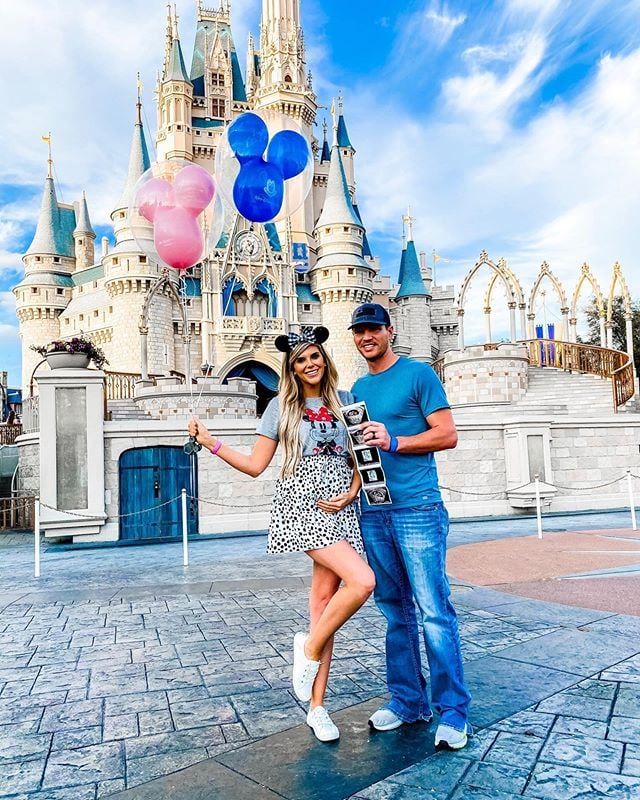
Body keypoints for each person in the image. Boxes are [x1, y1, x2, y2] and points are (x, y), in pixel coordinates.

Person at [188, 325, 375, 743]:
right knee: (363, 581)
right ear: (292, 369)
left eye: (315, 356)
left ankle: (318, 707)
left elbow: (362, 457)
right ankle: (308, 649)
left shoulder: (347, 403)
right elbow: (256, 465)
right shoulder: (280, 407)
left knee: (325, 607)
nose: (310, 364)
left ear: (325, 360)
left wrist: (352, 491)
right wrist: (210, 442)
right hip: (303, 503)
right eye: (300, 360)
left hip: (341, 507)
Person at [349, 302, 472, 751]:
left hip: (418, 509)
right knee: (392, 611)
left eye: (373, 329)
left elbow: (447, 434)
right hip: (375, 511)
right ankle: (407, 702)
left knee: (434, 611)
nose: (366, 337)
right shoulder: (358, 388)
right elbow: (364, 452)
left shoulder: (419, 375)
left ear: (389, 330)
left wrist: (395, 440)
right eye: (359, 331)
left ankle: (454, 712)